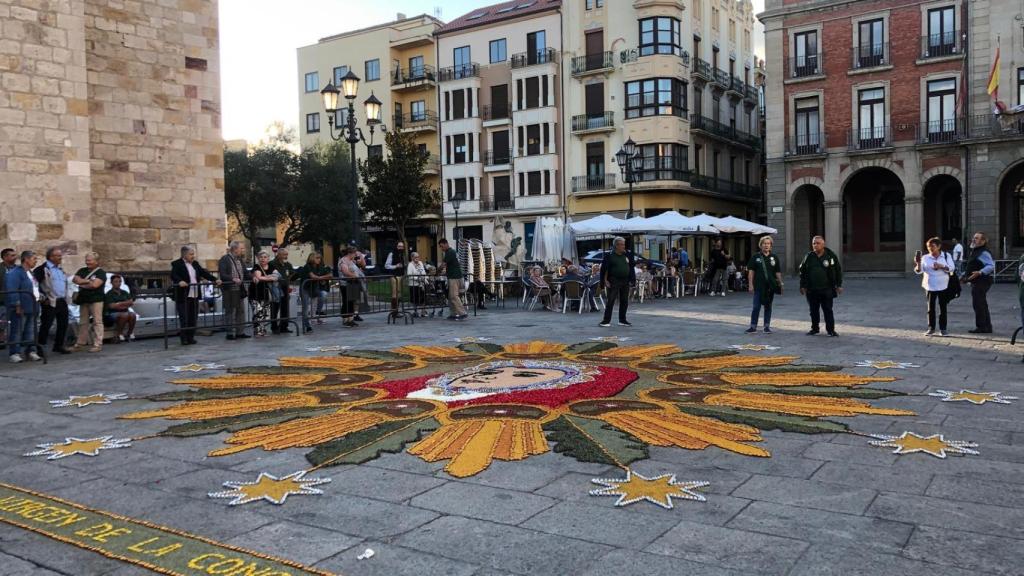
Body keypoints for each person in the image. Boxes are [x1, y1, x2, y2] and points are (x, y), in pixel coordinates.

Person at [170, 246, 220, 345]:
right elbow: (173, 275)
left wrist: (215, 279)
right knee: (184, 318)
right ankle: (184, 338)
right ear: (184, 255)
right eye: (191, 254)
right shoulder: (177, 264)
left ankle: (191, 337)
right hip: (183, 295)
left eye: (193, 254)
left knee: (193, 317)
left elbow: (204, 273)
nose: (193, 256)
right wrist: (180, 281)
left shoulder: (195, 264)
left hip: (195, 294)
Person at [798, 236, 843, 337]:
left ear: (823, 244)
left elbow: (837, 270)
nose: (815, 245)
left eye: (818, 243)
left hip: (827, 289)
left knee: (828, 310)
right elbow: (802, 271)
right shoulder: (809, 256)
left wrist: (839, 285)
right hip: (812, 289)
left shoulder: (830, 256)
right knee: (813, 311)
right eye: (814, 243)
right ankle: (814, 329)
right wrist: (802, 285)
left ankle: (831, 330)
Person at [5, 251, 42, 362]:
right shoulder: (15, 273)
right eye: (34, 259)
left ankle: (31, 351)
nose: (36, 261)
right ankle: (14, 353)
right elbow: (12, 289)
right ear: (26, 259)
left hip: (33, 306)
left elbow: (34, 287)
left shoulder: (30, 273)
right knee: (17, 330)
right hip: (21, 306)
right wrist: (17, 304)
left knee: (31, 330)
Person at [914, 237, 955, 337]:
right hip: (930, 285)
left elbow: (952, 268)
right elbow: (919, 271)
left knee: (943, 307)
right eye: (928, 247)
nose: (930, 248)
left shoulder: (946, 256)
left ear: (939, 246)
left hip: (943, 285)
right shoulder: (925, 258)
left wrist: (941, 266)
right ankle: (931, 328)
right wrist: (918, 263)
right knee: (930, 308)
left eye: (932, 246)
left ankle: (943, 329)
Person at [35, 247, 71, 354]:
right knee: (46, 325)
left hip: (62, 300)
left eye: (60, 255)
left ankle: (59, 345)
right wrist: (43, 298)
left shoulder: (60, 269)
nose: (60, 257)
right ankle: (40, 347)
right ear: (51, 257)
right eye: (58, 256)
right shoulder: (42, 269)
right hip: (50, 301)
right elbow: (35, 284)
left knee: (63, 324)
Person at [746, 236, 783, 334]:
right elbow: (751, 272)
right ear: (761, 245)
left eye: (768, 243)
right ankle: (753, 326)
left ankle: (766, 327)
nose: (766, 245)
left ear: (771, 246)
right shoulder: (756, 257)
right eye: (764, 243)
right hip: (758, 286)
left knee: (768, 306)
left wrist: (780, 283)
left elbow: (777, 272)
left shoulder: (774, 257)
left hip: (770, 287)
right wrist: (750, 285)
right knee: (756, 307)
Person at [72, 252, 107, 352]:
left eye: (90, 260)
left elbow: (95, 285)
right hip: (84, 300)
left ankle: (97, 344)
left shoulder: (101, 273)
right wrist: (88, 281)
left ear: (96, 261)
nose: (87, 262)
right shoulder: (82, 270)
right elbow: (75, 280)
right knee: (83, 322)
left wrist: (82, 283)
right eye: (86, 260)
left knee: (97, 322)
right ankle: (80, 343)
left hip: (96, 300)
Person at [599, 237, 636, 327]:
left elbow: (631, 266)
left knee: (624, 301)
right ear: (616, 245)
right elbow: (604, 269)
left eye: (624, 244)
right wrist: (605, 280)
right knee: (611, 300)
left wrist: (632, 279)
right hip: (614, 280)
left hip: (625, 280)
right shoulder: (610, 256)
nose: (624, 246)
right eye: (622, 245)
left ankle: (622, 320)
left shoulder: (626, 255)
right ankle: (606, 321)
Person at [218, 241, 250, 340]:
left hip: (239, 289)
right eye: (241, 248)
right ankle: (230, 333)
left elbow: (245, 272)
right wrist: (233, 279)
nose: (243, 250)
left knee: (240, 311)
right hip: (229, 289)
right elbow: (223, 274)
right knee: (230, 311)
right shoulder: (224, 259)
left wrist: (253, 277)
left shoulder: (240, 260)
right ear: (235, 249)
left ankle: (240, 332)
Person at [964, 231, 995, 334]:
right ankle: (987, 327)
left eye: (976, 238)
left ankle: (982, 327)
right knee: (982, 304)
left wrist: (980, 272)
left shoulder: (983, 252)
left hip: (982, 281)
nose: (974, 239)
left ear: (983, 241)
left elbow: (991, 266)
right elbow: (972, 266)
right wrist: (964, 275)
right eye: (974, 237)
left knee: (978, 304)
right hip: (978, 281)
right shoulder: (976, 251)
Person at [294, 252, 333, 332]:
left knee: (323, 294)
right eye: (317, 258)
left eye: (320, 258)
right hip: (305, 288)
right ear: (312, 258)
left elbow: (330, 275)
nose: (319, 260)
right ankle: (307, 325)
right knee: (305, 307)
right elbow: (312, 276)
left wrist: (320, 277)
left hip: (314, 288)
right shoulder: (307, 266)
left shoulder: (320, 266)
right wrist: (321, 278)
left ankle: (318, 312)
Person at [249, 251, 278, 337]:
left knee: (265, 313)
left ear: (268, 258)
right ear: (258, 258)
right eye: (261, 257)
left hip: (266, 294)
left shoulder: (271, 266)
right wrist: (270, 277)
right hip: (255, 294)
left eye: (265, 257)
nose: (263, 259)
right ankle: (257, 331)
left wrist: (265, 277)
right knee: (258, 312)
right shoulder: (256, 266)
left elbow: (277, 276)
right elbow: (258, 277)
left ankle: (262, 330)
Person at [438, 238, 467, 320]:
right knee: (451, 297)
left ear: (446, 244)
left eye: (441, 246)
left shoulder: (450, 252)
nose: (441, 248)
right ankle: (453, 313)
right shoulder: (452, 251)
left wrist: (437, 271)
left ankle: (462, 313)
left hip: (454, 277)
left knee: (454, 296)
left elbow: (443, 265)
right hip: (456, 276)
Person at [267, 248, 294, 334]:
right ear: (278, 255)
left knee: (285, 307)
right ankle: (274, 327)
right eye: (284, 255)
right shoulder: (272, 263)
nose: (286, 256)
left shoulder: (288, 264)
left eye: (287, 254)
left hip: (285, 287)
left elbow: (292, 273)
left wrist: (290, 280)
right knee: (275, 307)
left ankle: (284, 326)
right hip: (275, 287)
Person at [103, 274, 137, 342]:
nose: (118, 283)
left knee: (133, 315)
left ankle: (130, 333)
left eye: (119, 281)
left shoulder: (124, 292)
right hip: (112, 313)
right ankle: (119, 334)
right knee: (124, 315)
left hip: (124, 311)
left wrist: (119, 304)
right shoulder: (109, 294)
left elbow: (131, 303)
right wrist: (125, 303)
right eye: (116, 281)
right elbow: (112, 306)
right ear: (111, 283)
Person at [0, 248, 16, 349]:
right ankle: (1, 340)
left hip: (16, 300)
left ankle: (15, 341)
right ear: (5, 257)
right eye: (12, 255)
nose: (15, 257)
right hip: (2, 300)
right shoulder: (1, 269)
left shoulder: (18, 269)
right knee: (2, 322)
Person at [385, 242, 406, 317]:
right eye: (399, 246)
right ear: (396, 246)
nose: (400, 248)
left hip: (401, 275)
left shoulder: (402, 255)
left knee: (399, 294)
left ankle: (396, 310)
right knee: (395, 293)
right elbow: (386, 266)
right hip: (394, 275)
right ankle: (394, 312)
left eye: (402, 246)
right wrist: (395, 266)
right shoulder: (391, 254)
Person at [406, 251, 428, 317]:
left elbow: (423, 272)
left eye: (418, 257)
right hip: (414, 285)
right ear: (412, 257)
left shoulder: (420, 263)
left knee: (423, 298)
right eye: (415, 257)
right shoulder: (410, 265)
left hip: (422, 284)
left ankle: (423, 312)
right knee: (414, 299)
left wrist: (425, 278)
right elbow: (409, 275)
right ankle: (415, 312)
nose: (417, 258)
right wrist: (417, 278)